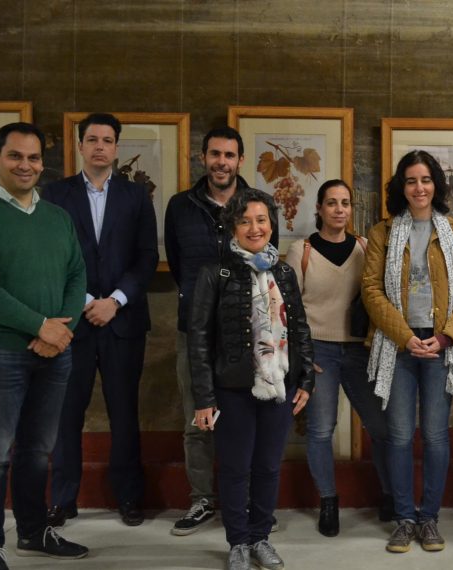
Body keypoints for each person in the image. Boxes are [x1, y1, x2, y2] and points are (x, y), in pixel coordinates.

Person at [0, 122, 88, 569]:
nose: (25, 165)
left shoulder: (57, 217)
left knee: (38, 450)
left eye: (32, 158)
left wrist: (61, 331)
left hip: (55, 351)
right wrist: (40, 326)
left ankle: (32, 531)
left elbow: (76, 276)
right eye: (15, 156)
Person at [43, 113, 158, 528]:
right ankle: (62, 499)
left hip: (123, 321)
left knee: (125, 413)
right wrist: (88, 300)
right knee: (66, 413)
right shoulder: (54, 195)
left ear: (116, 148)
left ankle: (128, 497)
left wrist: (116, 300)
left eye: (107, 140)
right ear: (79, 145)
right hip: (72, 322)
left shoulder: (136, 195)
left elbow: (146, 257)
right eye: (92, 139)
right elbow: (51, 258)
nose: (99, 147)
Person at [188, 189, 314, 570]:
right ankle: (238, 542)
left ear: (271, 225)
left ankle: (260, 537)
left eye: (261, 220)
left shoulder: (285, 272)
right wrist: (204, 398)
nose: (254, 228)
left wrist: (306, 379)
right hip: (232, 390)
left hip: (278, 387)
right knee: (235, 468)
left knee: (268, 468)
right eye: (245, 221)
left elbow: (300, 329)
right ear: (232, 227)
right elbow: (199, 339)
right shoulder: (215, 274)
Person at [165, 127, 279, 535]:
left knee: (251, 417)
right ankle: (201, 500)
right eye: (214, 154)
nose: (221, 161)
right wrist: (203, 308)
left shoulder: (260, 205)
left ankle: (248, 503)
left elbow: (267, 262)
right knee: (198, 418)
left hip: (249, 332)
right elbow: (179, 266)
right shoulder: (180, 206)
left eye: (229, 155)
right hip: (193, 330)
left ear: (240, 160)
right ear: (202, 157)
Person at [362, 150, 453, 554]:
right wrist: (404, 336)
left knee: (435, 435)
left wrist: (445, 337)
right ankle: (404, 518)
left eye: (425, 179)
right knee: (397, 434)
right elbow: (371, 290)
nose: (419, 188)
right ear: (401, 187)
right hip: (398, 346)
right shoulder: (383, 232)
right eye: (411, 180)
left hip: (441, 344)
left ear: (436, 185)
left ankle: (429, 518)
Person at [284, 179, 394, 536]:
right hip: (319, 351)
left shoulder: (364, 247)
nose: (339, 209)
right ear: (318, 208)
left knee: (382, 428)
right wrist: (301, 357)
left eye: (345, 202)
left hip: (360, 350)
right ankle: (328, 501)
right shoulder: (300, 250)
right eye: (331, 202)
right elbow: (287, 310)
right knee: (320, 430)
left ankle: (391, 495)